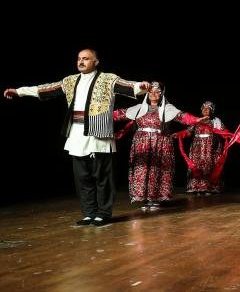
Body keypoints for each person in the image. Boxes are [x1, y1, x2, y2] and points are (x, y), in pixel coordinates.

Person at [3, 48, 148, 226]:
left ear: (96, 62)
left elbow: (130, 86)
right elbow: (46, 89)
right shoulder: (70, 81)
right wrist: (19, 91)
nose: (81, 61)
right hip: (77, 134)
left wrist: (141, 87)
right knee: (83, 177)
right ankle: (89, 213)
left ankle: (103, 213)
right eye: (79, 58)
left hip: (98, 134)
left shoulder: (108, 79)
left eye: (86, 59)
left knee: (102, 177)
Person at [114, 82, 206, 209]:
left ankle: (155, 198)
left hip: (161, 143)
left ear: (161, 94)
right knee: (142, 169)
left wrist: (195, 119)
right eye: (150, 91)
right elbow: (119, 114)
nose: (153, 93)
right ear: (146, 94)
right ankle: (144, 198)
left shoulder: (168, 109)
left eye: (157, 91)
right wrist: (101, 115)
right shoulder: (138, 108)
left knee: (157, 170)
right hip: (142, 144)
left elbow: (182, 116)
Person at [185, 101, 226, 195]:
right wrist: (179, 134)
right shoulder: (197, 120)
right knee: (197, 167)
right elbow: (188, 131)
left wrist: (232, 136)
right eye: (204, 108)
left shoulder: (217, 122)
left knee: (209, 166)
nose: (206, 110)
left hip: (211, 148)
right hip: (197, 148)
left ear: (212, 111)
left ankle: (209, 187)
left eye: (208, 109)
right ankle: (197, 187)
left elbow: (224, 132)